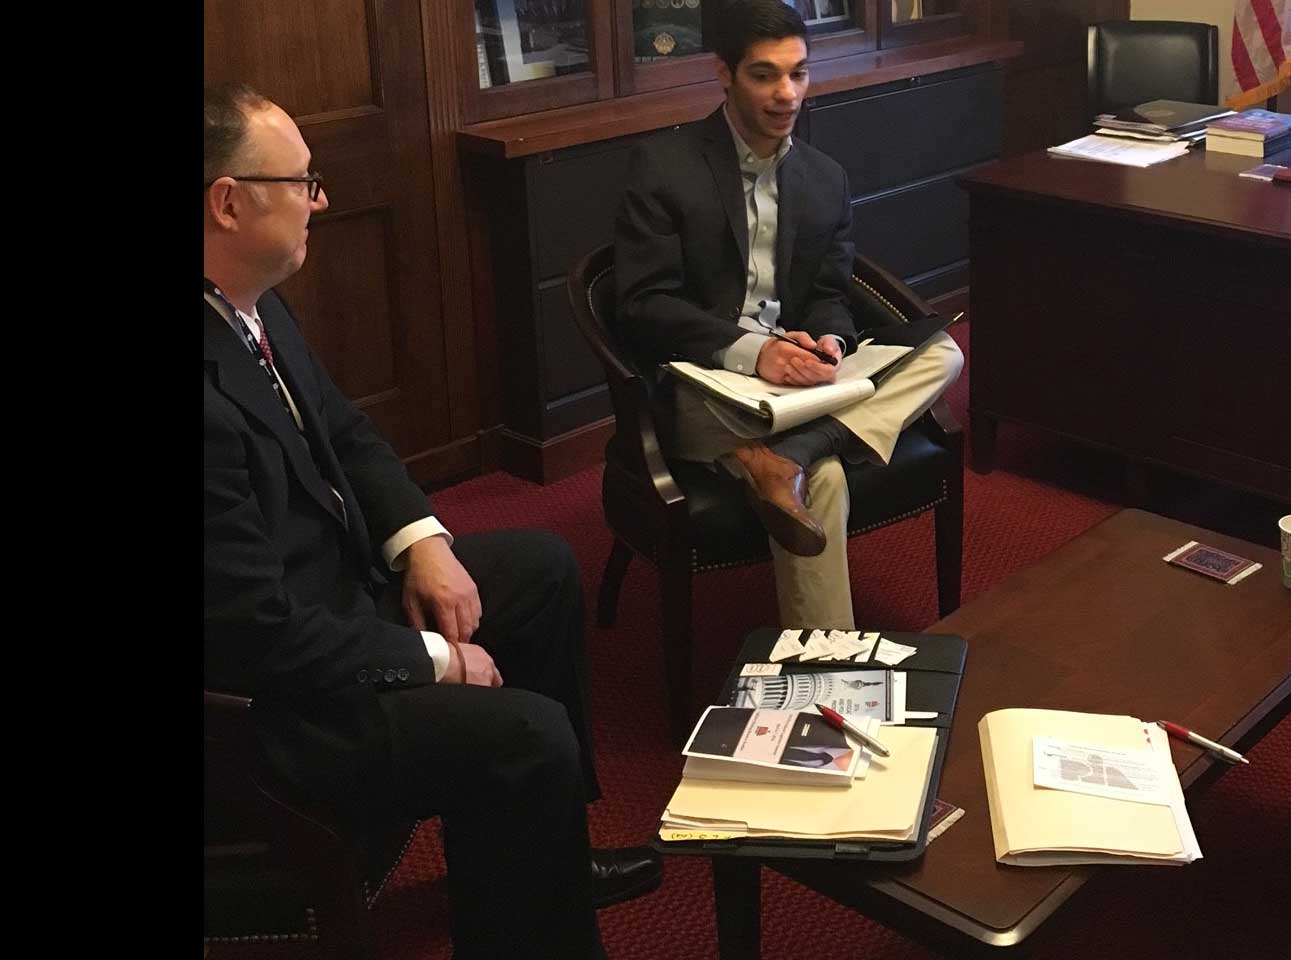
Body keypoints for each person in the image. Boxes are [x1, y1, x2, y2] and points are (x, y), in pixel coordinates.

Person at [203, 81, 660, 958]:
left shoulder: (249, 301)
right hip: (267, 708)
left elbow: (346, 431)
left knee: (541, 568)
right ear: (228, 201)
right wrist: (433, 659)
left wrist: (426, 541)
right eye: (302, 182)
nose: (321, 200)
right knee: (529, 737)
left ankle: (547, 855)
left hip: (327, 599)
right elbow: (250, 636)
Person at [612, 0, 964, 630]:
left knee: (945, 352)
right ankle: (828, 673)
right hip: (707, 382)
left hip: (795, 383)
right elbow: (643, 303)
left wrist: (829, 339)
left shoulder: (824, 178)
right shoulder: (664, 168)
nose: (786, 94)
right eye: (764, 74)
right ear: (723, 72)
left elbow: (831, 290)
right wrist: (754, 351)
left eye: (798, 73)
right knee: (824, 479)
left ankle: (788, 455)